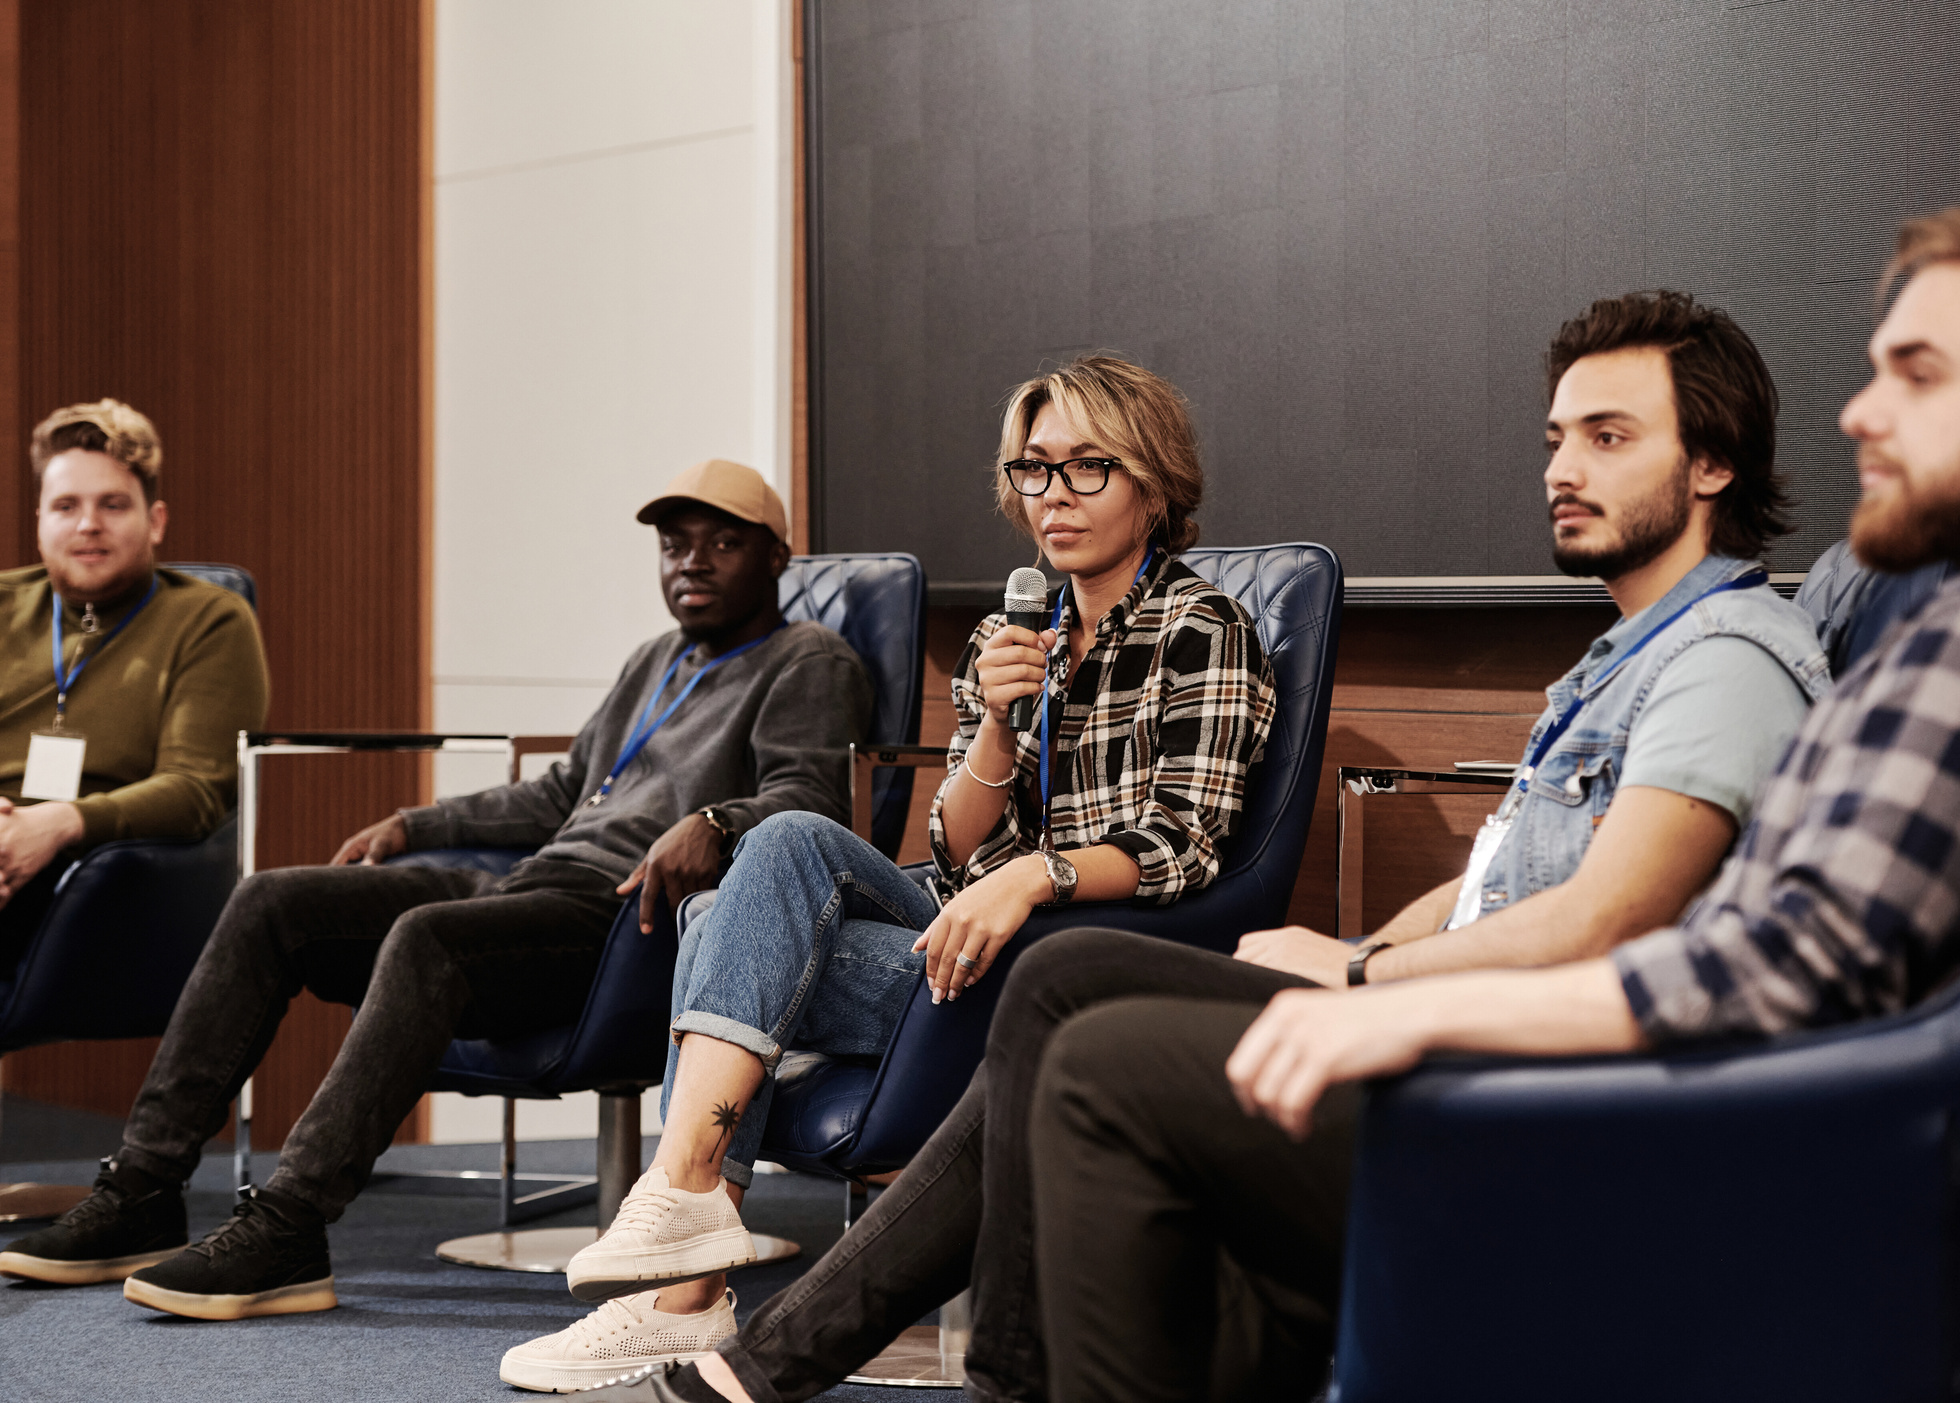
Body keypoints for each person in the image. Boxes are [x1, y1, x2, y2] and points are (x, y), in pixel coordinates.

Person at [561, 288, 1839, 1403]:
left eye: (1608, 437)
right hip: (1121, 955)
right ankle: (712, 1250)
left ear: (1712, 462)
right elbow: (1501, 869)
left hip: (1487, 1063)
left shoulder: (1726, 659)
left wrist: (1346, 978)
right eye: (1556, 436)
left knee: (1057, 981)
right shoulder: (1616, 664)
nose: (1562, 465)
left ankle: (765, 1334)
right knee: (775, 850)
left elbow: (1605, 919)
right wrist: (1354, 938)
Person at [997, 204, 1960, 1399]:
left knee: (1109, 1063)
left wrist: (1393, 1002)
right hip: (1712, 1100)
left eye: (1917, 373)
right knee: (1114, 1037)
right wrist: (1375, 964)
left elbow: (1774, 963)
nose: (1857, 412)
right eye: (1554, 438)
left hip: (1703, 1137)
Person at [496, 354, 1278, 1393]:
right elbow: (957, 844)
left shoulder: (1203, 630)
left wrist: (1034, 876)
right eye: (1035, 469)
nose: (1054, 495)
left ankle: (683, 1273)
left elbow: (1186, 843)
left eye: (1089, 467)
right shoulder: (1015, 632)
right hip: (962, 934)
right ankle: (686, 1222)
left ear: (1154, 480)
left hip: (1070, 959)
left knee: (731, 918)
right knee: (756, 869)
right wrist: (996, 719)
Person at [0, 458, 873, 1325]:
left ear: (778, 560)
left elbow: (809, 804)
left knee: (429, 937)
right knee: (274, 901)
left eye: (724, 543)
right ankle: (143, 1186)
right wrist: (413, 825)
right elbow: (558, 794)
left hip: (629, 920)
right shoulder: (657, 658)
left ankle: (289, 1223)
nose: (692, 561)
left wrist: (718, 822)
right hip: (541, 885)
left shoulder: (808, 658)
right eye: (676, 544)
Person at [0, 398, 268, 971]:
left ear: (156, 521)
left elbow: (196, 789)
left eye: (113, 504)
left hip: (100, 884)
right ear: (40, 522)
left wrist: (59, 823)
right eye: (65, 506)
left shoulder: (208, 620)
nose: (87, 524)